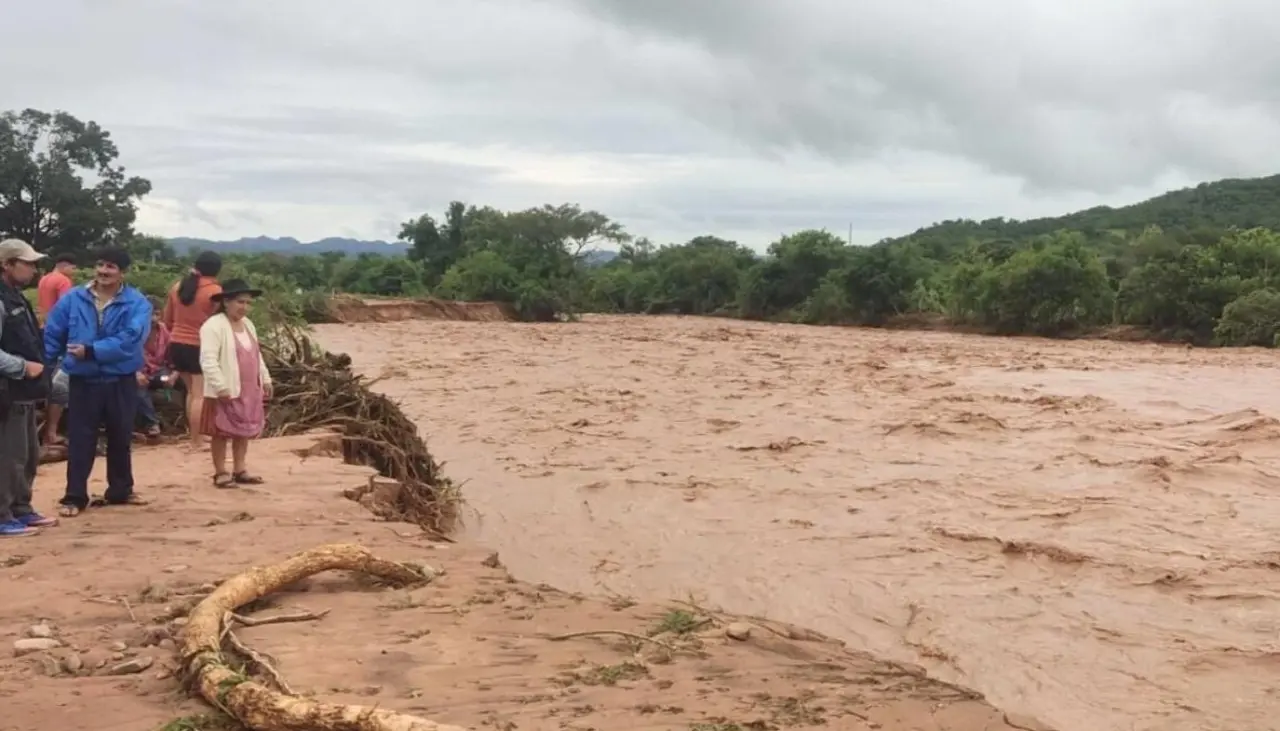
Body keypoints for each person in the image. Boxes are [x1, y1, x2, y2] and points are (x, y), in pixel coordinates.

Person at [44, 247, 152, 518]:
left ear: (122, 272)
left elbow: (131, 338)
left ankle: (120, 490)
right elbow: (54, 332)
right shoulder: (73, 298)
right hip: (83, 380)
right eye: (101, 264)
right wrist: (46, 364)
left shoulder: (137, 303)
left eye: (111, 266)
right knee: (81, 439)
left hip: (121, 379)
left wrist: (91, 351)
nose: (103, 271)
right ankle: (74, 496)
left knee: (120, 435)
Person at [0, 239, 57, 536]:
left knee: (27, 455)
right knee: (9, 456)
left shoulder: (15, 297)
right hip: (7, 391)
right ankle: (2, 514)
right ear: (7, 265)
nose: (34, 269)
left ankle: (21, 509)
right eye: (27, 263)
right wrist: (23, 367)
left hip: (23, 393)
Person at [198, 279, 272, 488]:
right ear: (226, 302)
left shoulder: (248, 325)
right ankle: (220, 472)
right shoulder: (213, 326)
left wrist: (265, 378)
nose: (245, 307)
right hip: (226, 388)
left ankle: (240, 469)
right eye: (240, 302)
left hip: (249, 388)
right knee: (220, 431)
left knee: (244, 431)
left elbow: (257, 356)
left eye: (248, 303)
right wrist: (220, 386)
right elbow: (208, 359)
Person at [163, 251, 222, 449]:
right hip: (198, 345)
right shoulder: (214, 290)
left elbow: (167, 319)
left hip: (176, 344)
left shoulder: (178, 287)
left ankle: (195, 436)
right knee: (199, 394)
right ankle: (197, 441)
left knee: (191, 393)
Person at [36, 254, 76, 448]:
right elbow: (67, 309)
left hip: (44, 330)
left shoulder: (44, 279)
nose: (73, 272)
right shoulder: (63, 281)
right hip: (59, 335)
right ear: (65, 266)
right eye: (73, 268)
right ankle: (51, 432)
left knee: (47, 378)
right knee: (60, 384)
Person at [136, 310, 176, 438]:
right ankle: (152, 424)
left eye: (156, 314)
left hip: (159, 372)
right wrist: (136, 373)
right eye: (150, 314)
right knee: (140, 389)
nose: (153, 318)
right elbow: (126, 355)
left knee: (167, 378)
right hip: (139, 372)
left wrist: (174, 374)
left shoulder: (164, 331)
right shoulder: (135, 331)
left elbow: (173, 355)